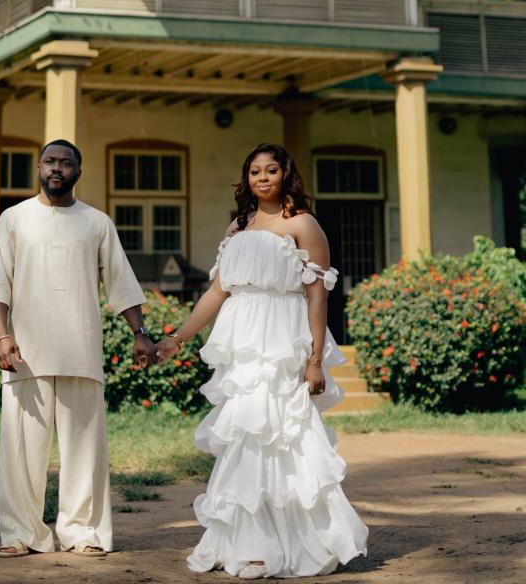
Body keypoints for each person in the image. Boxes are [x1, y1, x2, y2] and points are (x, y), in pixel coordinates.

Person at [155, 142, 368, 579]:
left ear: (285, 174)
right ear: (246, 178)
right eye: (255, 171)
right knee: (245, 435)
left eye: (271, 170)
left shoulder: (303, 224)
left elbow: (317, 295)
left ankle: (295, 540)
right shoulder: (238, 226)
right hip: (243, 344)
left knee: (283, 435)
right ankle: (247, 541)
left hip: (283, 340)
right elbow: (217, 291)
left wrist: (314, 359)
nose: (263, 177)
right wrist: (178, 337)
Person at [0, 137, 154, 558]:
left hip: (81, 349)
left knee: (84, 451)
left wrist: (140, 333)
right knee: (21, 451)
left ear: (78, 171)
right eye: (49, 161)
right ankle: (22, 534)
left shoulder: (96, 222)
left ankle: (83, 532)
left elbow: (120, 282)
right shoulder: (14, 219)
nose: (56, 168)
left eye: (65, 162)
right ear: (38, 169)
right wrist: (2, 337)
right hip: (25, 353)